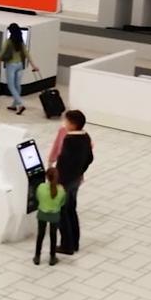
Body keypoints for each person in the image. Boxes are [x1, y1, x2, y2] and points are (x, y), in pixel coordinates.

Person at [55, 110, 94, 257]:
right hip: (76, 180)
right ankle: (75, 242)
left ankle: (66, 245)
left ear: (72, 124)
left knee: (62, 212)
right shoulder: (85, 137)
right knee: (71, 210)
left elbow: (63, 163)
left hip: (64, 182)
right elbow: (90, 158)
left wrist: (57, 182)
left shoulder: (69, 140)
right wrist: (80, 171)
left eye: (66, 121)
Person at [0, 23, 38, 114]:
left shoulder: (8, 41)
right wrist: (33, 65)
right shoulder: (21, 41)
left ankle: (20, 104)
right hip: (20, 65)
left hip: (11, 65)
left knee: (11, 86)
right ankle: (14, 105)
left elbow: (2, 53)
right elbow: (27, 54)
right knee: (17, 85)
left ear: (10, 31)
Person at [34, 167, 66, 267]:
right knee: (53, 235)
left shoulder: (41, 187)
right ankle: (52, 257)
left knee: (40, 235)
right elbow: (62, 203)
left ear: (46, 177)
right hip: (54, 215)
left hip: (42, 214)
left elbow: (37, 197)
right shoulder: (61, 190)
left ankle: (37, 256)